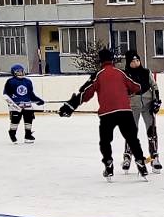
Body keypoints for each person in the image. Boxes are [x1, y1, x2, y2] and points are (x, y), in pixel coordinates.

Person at [59, 48, 147, 180]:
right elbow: (136, 87)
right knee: (132, 139)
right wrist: (128, 91)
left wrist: (70, 106)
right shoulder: (121, 73)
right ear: (112, 60)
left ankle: (108, 164)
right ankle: (140, 163)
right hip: (125, 111)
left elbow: (85, 93)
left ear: (100, 60)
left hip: (107, 114)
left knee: (105, 141)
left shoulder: (98, 75)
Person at [122, 50, 162, 172]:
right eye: (133, 61)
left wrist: (156, 101)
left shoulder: (146, 72)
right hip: (132, 106)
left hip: (147, 105)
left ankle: (154, 157)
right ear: (128, 63)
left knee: (152, 131)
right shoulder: (125, 75)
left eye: (137, 60)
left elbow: (154, 86)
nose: (136, 63)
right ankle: (127, 156)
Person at [2, 64, 44, 143]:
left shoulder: (28, 81)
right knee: (15, 120)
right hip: (16, 105)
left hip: (27, 105)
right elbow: (5, 95)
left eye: (21, 71)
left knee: (29, 119)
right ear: (13, 73)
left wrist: (38, 100)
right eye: (18, 72)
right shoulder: (10, 82)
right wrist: (13, 105)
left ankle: (28, 135)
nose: (20, 73)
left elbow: (31, 95)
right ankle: (12, 133)